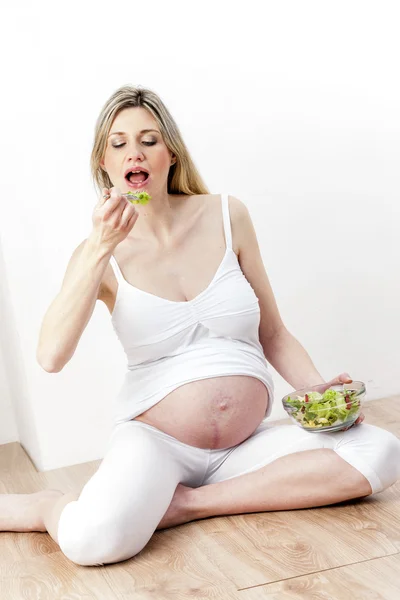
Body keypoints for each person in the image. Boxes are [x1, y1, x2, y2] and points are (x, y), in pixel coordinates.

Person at [1, 86, 399, 567]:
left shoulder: (228, 216)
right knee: (93, 543)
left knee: (380, 452)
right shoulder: (97, 256)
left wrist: (319, 394)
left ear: (170, 151)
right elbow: (50, 355)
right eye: (119, 142)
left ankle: (188, 503)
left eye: (148, 139)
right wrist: (98, 248)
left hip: (245, 444)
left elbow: (272, 333)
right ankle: (47, 506)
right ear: (103, 163)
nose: (135, 152)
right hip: (157, 445)